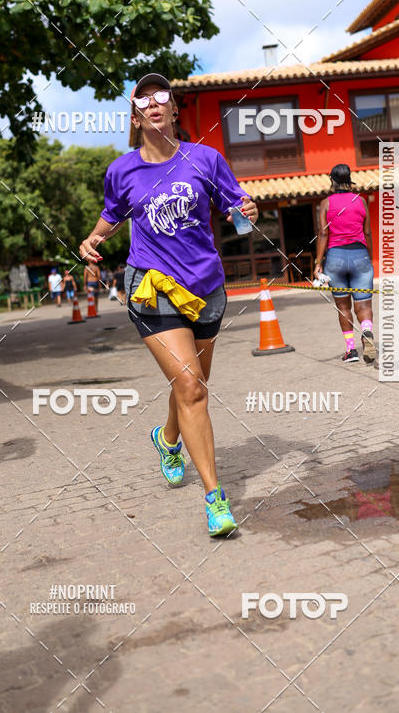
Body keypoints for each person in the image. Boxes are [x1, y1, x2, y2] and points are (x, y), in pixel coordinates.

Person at [80, 72, 259, 536]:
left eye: (161, 96)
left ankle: (167, 437)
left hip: (206, 289)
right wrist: (93, 240)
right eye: (143, 100)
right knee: (192, 387)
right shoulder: (122, 170)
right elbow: (111, 216)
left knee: (191, 383)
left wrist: (248, 210)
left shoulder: (206, 159)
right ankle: (215, 500)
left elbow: (236, 206)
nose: (153, 103)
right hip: (152, 288)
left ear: (174, 109)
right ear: (136, 118)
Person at [314, 163, 376, 364]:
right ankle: (367, 332)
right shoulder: (361, 201)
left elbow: (323, 233)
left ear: (332, 180)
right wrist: (369, 257)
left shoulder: (326, 203)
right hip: (360, 256)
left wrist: (318, 263)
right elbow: (367, 232)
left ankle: (351, 350)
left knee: (343, 306)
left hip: (335, 258)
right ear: (349, 179)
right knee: (364, 304)